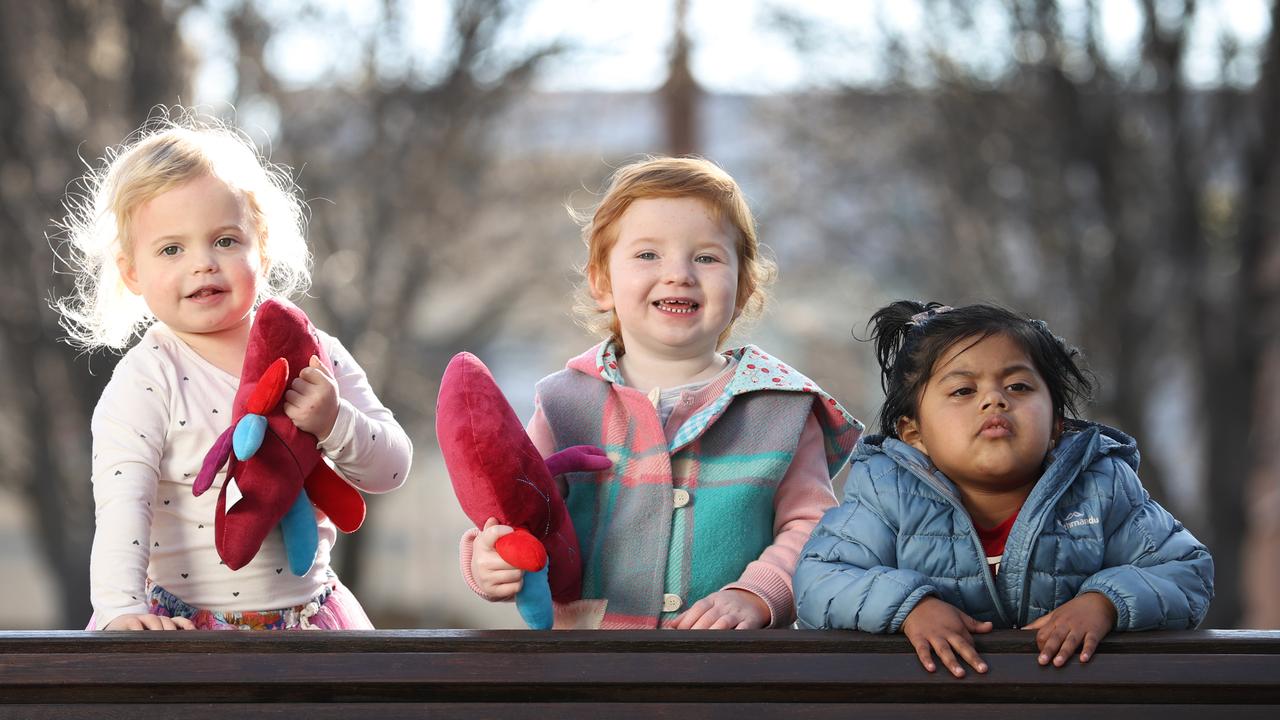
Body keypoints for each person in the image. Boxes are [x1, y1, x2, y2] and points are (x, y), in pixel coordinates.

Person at [458, 156, 863, 629]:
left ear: (745, 287)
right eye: (648, 255)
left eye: (706, 257)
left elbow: (813, 527)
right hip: (589, 674)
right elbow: (520, 510)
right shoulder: (565, 403)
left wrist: (758, 594)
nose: (679, 274)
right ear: (602, 282)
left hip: (732, 677)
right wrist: (488, 561)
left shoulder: (781, 408)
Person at [55, 111, 412, 631]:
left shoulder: (314, 352)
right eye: (172, 249)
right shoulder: (146, 380)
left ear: (260, 247)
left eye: (224, 240)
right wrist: (119, 611)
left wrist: (336, 422)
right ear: (133, 271)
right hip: (188, 626)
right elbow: (121, 506)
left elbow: (392, 468)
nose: (202, 263)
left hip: (311, 621)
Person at [794, 301, 1213, 675]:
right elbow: (819, 581)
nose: (994, 400)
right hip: (932, 702)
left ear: (1056, 426)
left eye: (1018, 386)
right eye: (963, 390)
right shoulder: (887, 491)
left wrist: (1105, 603)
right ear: (913, 433)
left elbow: (1186, 572)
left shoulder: (1099, 487)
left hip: (1068, 701)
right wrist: (910, 608)